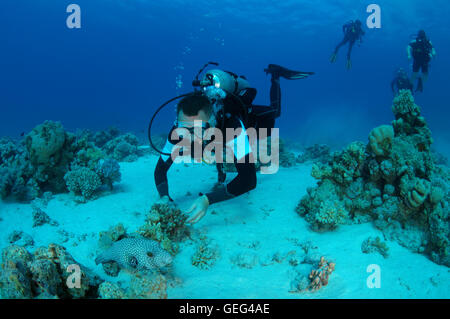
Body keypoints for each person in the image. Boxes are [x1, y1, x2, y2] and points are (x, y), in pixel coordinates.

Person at [153, 64, 314, 224]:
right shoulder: (179, 131)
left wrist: (207, 200)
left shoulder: (232, 126)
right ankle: (220, 172)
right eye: (184, 128)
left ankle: (276, 76)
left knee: (274, 114)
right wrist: (164, 197)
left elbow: (249, 180)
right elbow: (160, 169)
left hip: (246, 121)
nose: (189, 135)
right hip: (217, 137)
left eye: (198, 129)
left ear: (212, 121)